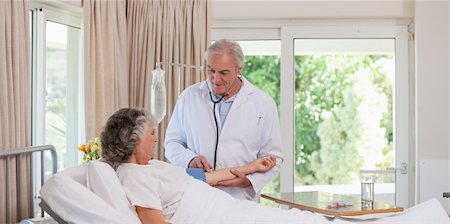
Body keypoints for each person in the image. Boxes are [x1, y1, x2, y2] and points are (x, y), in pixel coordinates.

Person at [100, 108, 450, 224]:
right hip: (212, 214)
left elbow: (205, 177)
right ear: (132, 140)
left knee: (303, 219)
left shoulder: (153, 166)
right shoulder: (133, 176)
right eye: (149, 135)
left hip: (216, 203)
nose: (155, 139)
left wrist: (250, 168)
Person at [164, 39, 283, 201]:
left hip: (240, 199)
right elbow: (171, 143)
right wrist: (189, 159)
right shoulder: (189, 96)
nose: (216, 79)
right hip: (196, 197)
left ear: (239, 69)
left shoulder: (263, 104)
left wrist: (248, 181)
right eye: (211, 70)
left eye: (224, 72)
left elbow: (274, 157)